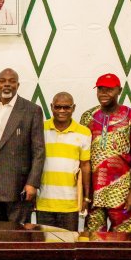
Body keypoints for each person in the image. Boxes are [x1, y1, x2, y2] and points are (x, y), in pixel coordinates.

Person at [0, 68, 45, 228]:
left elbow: (39, 151)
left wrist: (32, 183)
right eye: (3, 81)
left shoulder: (31, 110)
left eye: (11, 81)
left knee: (16, 233)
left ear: (18, 85)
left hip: (17, 184)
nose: (7, 85)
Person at [81, 73, 131, 232]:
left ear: (119, 90)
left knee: (123, 241)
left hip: (121, 191)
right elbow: (81, 157)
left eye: (109, 90)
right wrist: (83, 194)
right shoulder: (88, 116)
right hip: (93, 192)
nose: (104, 93)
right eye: (100, 89)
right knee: (93, 239)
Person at [36, 92, 91, 231]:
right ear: (51, 107)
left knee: (68, 246)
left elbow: (85, 166)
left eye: (66, 107)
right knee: (45, 247)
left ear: (73, 108)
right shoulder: (40, 129)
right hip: (44, 202)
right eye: (58, 107)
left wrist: (86, 198)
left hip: (70, 204)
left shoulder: (84, 132)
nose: (61, 111)